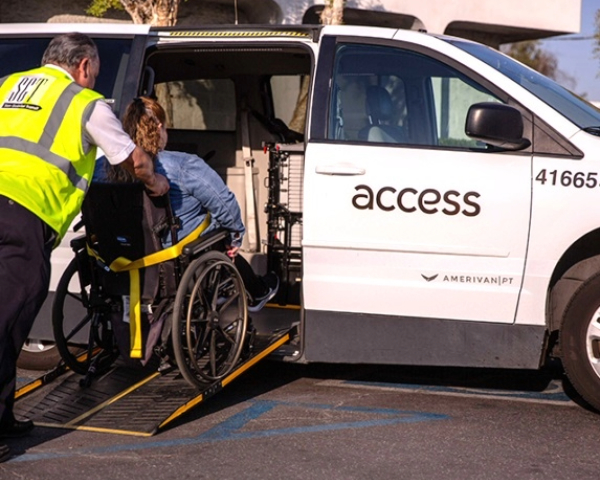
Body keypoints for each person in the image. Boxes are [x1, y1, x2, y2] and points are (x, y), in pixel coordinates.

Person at [0, 33, 169, 460]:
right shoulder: (84, 102)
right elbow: (130, 158)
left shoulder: (8, 86)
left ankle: (2, 414)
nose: (94, 76)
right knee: (5, 321)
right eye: (93, 69)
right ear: (83, 66)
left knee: (9, 322)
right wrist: (156, 181)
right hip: (21, 214)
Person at [99, 96, 279, 312]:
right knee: (223, 236)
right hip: (172, 257)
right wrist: (235, 235)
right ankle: (256, 292)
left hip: (121, 254)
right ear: (158, 127)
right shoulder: (183, 165)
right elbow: (224, 203)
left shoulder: (102, 167)